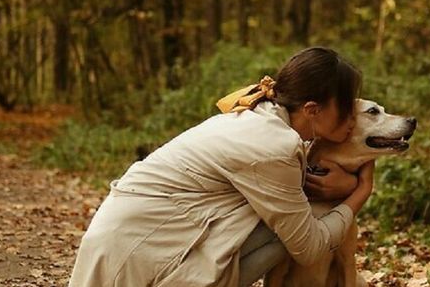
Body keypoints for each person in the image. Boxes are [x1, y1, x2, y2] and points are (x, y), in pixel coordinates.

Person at [69, 47, 374, 287]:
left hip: (131, 243)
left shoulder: (262, 118)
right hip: (134, 262)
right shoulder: (274, 146)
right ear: (311, 110)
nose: (352, 118)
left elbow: (296, 185)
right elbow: (308, 246)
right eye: (347, 108)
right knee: (300, 226)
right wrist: (361, 190)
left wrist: (342, 186)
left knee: (292, 215)